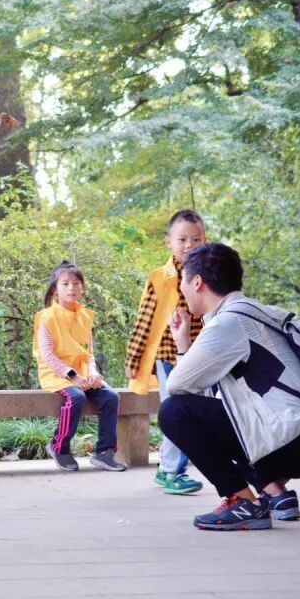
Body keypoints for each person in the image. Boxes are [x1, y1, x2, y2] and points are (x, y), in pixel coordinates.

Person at [158, 243, 300, 530]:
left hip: (292, 441)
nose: (183, 289)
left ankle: (243, 502)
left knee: (174, 412)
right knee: (229, 414)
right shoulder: (256, 312)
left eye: (184, 282)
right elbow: (207, 394)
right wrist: (183, 342)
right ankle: (276, 494)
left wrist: (181, 349)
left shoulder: (227, 324)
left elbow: (177, 386)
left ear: (197, 282)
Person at [126, 210, 206, 495]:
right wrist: (134, 357)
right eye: (182, 239)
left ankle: (166, 467)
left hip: (201, 356)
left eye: (196, 239)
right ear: (168, 242)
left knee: (190, 412)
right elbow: (145, 320)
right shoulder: (160, 278)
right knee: (178, 410)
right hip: (168, 355)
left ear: (205, 240)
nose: (189, 245)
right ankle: (173, 471)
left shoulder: (209, 274)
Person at [32, 261, 127, 472]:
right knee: (76, 397)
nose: (71, 288)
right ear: (55, 289)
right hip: (56, 375)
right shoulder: (46, 317)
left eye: (76, 283)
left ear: (82, 288)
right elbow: (47, 356)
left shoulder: (85, 316)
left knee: (111, 397)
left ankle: (105, 452)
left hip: (83, 375)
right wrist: (72, 376)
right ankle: (59, 447)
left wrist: (93, 372)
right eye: (65, 283)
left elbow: (88, 353)